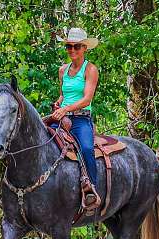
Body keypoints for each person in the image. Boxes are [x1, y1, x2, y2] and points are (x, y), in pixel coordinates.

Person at [50, 27, 101, 211]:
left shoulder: (90, 69)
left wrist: (65, 109)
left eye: (76, 46)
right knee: (42, 138)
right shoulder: (62, 70)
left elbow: (87, 98)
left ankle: (92, 190)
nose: (72, 50)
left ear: (84, 48)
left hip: (80, 119)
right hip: (62, 116)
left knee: (87, 148)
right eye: (69, 47)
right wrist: (59, 102)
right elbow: (64, 94)